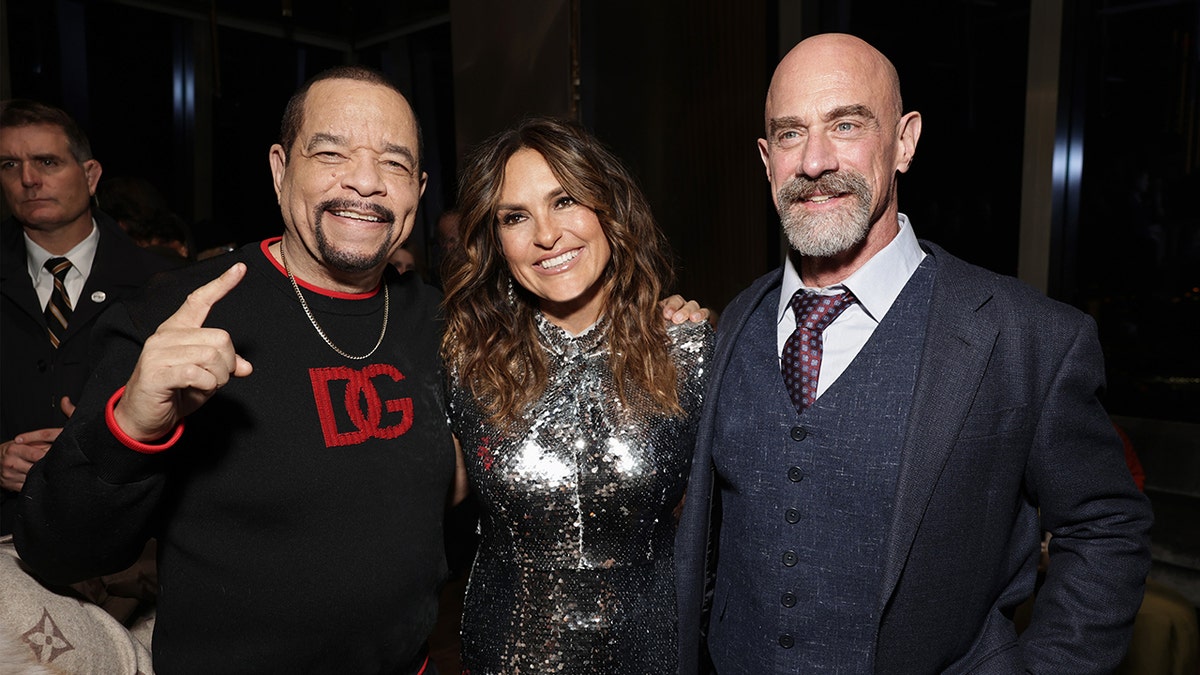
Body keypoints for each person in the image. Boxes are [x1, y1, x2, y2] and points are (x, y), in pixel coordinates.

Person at [675, 33, 1154, 674]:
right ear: (766, 159)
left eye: (846, 125)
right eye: (790, 134)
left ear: (904, 142)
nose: (814, 160)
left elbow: (1105, 528)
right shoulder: (735, 322)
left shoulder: (1025, 338)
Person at [13, 66, 452, 674]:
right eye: (331, 153)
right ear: (280, 169)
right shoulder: (173, 316)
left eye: (395, 164)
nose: (365, 181)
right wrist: (133, 425)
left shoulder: (436, 320)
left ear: (420, 190)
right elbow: (56, 551)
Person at [441, 116, 715, 673]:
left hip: (657, 655)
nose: (546, 235)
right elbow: (409, 497)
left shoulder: (691, 350)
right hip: (504, 656)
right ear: (495, 241)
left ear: (608, 208)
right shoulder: (465, 357)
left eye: (564, 201)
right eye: (515, 217)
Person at [0, 100, 175, 533]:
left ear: (91, 175)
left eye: (47, 161)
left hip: (127, 535)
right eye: (8, 164)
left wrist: (114, 441)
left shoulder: (162, 282)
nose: (28, 179)